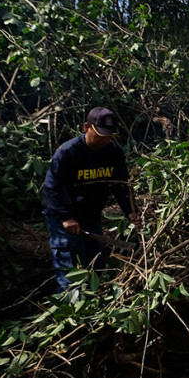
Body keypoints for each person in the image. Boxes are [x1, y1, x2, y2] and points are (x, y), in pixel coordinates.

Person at [42, 107, 139, 292]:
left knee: (97, 266)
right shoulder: (68, 152)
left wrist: (130, 212)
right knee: (70, 274)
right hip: (66, 219)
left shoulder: (113, 152)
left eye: (109, 136)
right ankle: (71, 314)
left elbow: (120, 185)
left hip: (92, 216)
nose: (105, 140)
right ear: (87, 127)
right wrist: (65, 218)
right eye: (100, 135)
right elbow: (51, 188)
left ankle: (94, 307)